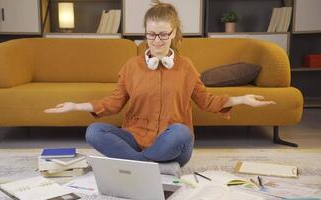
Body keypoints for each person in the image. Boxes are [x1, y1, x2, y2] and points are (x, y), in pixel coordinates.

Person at [44, 1, 275, 170]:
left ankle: (134, 166)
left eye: (163, 35)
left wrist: (241, 99)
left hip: (172, 144)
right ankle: (152, 167)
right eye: (151, 34)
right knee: (94, 131)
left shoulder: (186, 66)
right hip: (135, 140)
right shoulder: (131, 67)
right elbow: (113, 104)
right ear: (145, 33)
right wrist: (76, 106)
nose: (156, 41)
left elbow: (206, 101)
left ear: (174, 33)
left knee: (181, 131)